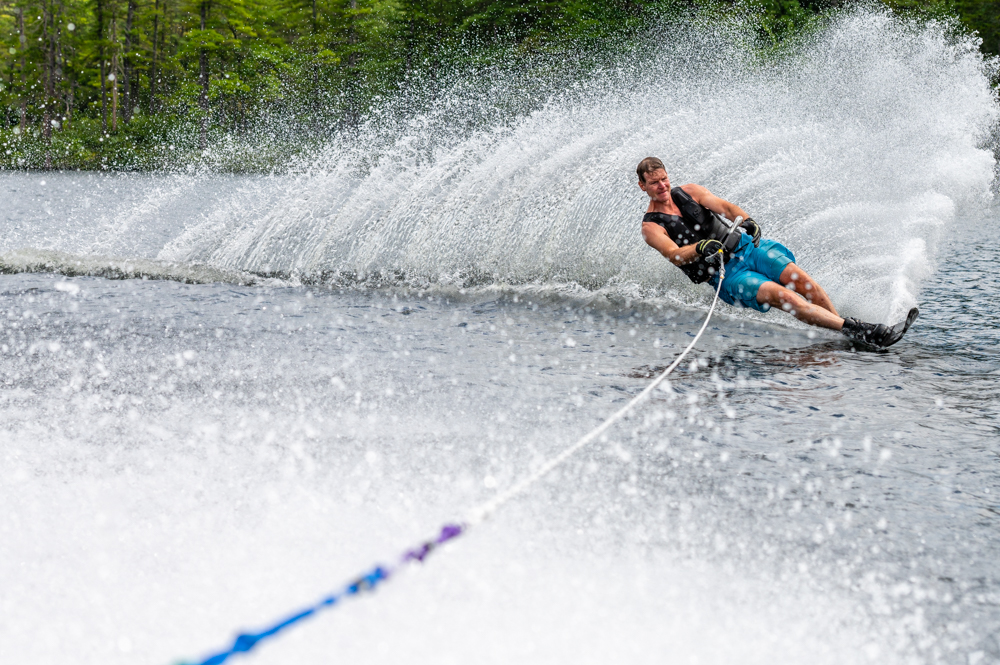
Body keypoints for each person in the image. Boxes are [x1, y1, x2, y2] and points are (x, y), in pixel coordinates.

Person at [636, 156, 916, 348]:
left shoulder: (691, 191)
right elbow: (674, 254)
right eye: (654, 183)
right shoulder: (651, 227)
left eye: (664, 179)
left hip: (748, 249)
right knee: (784, 296)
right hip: (727, 275)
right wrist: (698, 247)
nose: (662, 187)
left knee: (805, 284)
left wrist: (746, 220)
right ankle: (861, 331)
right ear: (643, 186)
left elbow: (728, 209)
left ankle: (842, 333)